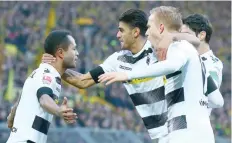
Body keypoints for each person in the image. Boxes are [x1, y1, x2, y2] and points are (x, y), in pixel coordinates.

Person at [20, 9, 199, 141]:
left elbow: (192, 42)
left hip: (181, 129)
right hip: (160, 135)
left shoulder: (158, 49)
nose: (117, 35)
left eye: (121, 30)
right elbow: (83, 81)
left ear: (135, 32)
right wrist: (58, 65)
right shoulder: (117, 60)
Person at [98, 6, 218, 143]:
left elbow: (172, 65)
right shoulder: (191, 54)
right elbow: (216, 100)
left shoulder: (177, 46)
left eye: (149, 27)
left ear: (160, 28)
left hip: (186, 135)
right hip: (199, 132)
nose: (147, 32)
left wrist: (128, 75)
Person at [6, 30, 78, 143]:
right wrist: (59, 110)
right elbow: (44, 99)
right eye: (74, 49)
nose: (77, 53)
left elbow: (22, 100)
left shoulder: (42, 73)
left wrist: (12, 114)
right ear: (60, 53)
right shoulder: (47, 74)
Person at [181, 14, 224, 114]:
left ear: (201, 35)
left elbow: (213, 97)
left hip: (195, 124)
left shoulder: (212, 63)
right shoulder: (185, 59)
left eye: (186, 34)